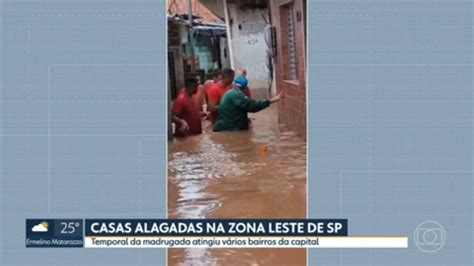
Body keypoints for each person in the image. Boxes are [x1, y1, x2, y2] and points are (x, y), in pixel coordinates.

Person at [213, 76, 284, 132]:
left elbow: (235, 110)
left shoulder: (230, 92)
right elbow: (253, 106)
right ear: (245, 88)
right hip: (229, 129)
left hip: (224, 128)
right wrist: (273, 100)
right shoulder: (237, 95)